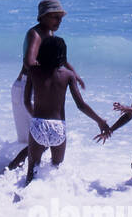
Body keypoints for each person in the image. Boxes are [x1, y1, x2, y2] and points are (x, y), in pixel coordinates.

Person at [7, 0, 86, 171]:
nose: (58, 21)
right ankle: (8, 173)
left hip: (34, 88)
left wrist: (74, 74)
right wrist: (50, 72)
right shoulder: (35, 34)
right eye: (55, 17)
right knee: (34, 139)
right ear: (42, 17)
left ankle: (21, 175)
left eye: (60, 18)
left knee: (38, 138)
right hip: (26, 88)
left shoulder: (49, 35)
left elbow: (60, 58)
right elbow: (29, 62)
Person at [22, 36, 110, 184]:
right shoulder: (68, 75)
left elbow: (26, 101)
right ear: (63, 55)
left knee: (32, 170)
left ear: (41, 52)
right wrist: (100, 121)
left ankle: (22, 202)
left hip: (38, 124)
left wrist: (35, 119)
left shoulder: (33, 71)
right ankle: (53, 199)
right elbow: (81, 105)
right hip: (58, 128)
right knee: (56, 170)